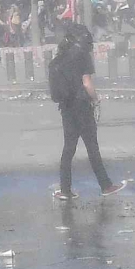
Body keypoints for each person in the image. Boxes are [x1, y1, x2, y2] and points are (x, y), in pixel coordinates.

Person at [49, 18, 119, 201]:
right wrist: (95, 99)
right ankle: (106, 185)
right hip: (82, 105)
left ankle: (65, 190)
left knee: (68, 148)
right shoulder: (82, 55)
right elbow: (87, 83)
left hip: (66, 106)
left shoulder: (61, 55)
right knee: (92, 146)